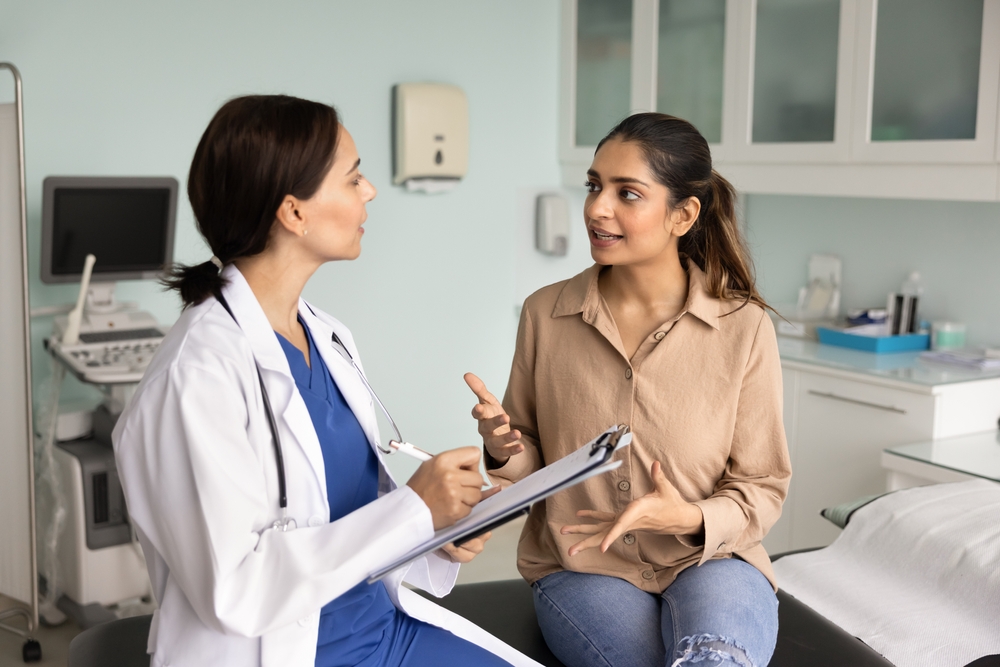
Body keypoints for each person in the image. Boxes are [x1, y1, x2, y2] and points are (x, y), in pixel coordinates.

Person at [112, 95, 532, 667]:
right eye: (354, 178)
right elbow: (234, 590)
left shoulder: (328, 338)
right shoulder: (197, 375)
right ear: (294, 212)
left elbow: (349, 515)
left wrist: (436, 531)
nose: (370, 192)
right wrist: (414, 508)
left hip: (383, 632)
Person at [466, 113, 792, 667]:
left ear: (683, 214)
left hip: (710, 558)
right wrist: (504, 448)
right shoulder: (546, 313)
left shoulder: (744, 326)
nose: (597, 207)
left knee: (716, 659)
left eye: (628, 193)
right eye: (595, 186)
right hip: (583, 565)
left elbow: (761, 485)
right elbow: (534, 462)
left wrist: (687, 518)